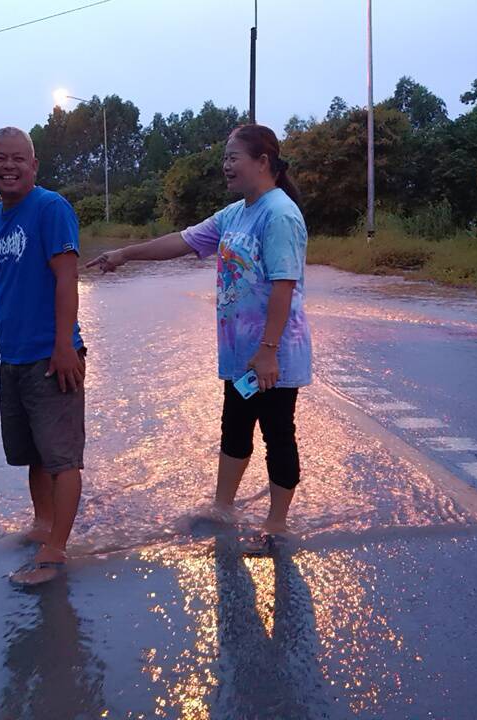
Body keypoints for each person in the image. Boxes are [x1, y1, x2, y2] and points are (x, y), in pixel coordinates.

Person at [87, 124, 311, 551]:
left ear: (263, 162)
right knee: (236, 426)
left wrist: (267, 352)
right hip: (242, 355)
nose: (226, 165)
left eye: (234, 157)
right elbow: (183, 241)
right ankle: (222, 508)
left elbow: (284, 285)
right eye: (224, 157)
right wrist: (125, 254)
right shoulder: (236, 213)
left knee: (278, 433)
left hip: (272, 356)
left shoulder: (278, 213)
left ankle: (277, 526)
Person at [0, 127, 87, 586]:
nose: (8, 166)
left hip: (52, 357)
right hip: (11, 359)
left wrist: (64, 344)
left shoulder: (51, 209)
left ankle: (55, 552)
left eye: (18, 158)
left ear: (34, 166)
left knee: (63, 458)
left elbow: (66, 278)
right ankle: (42, 524)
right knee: (32, 454)